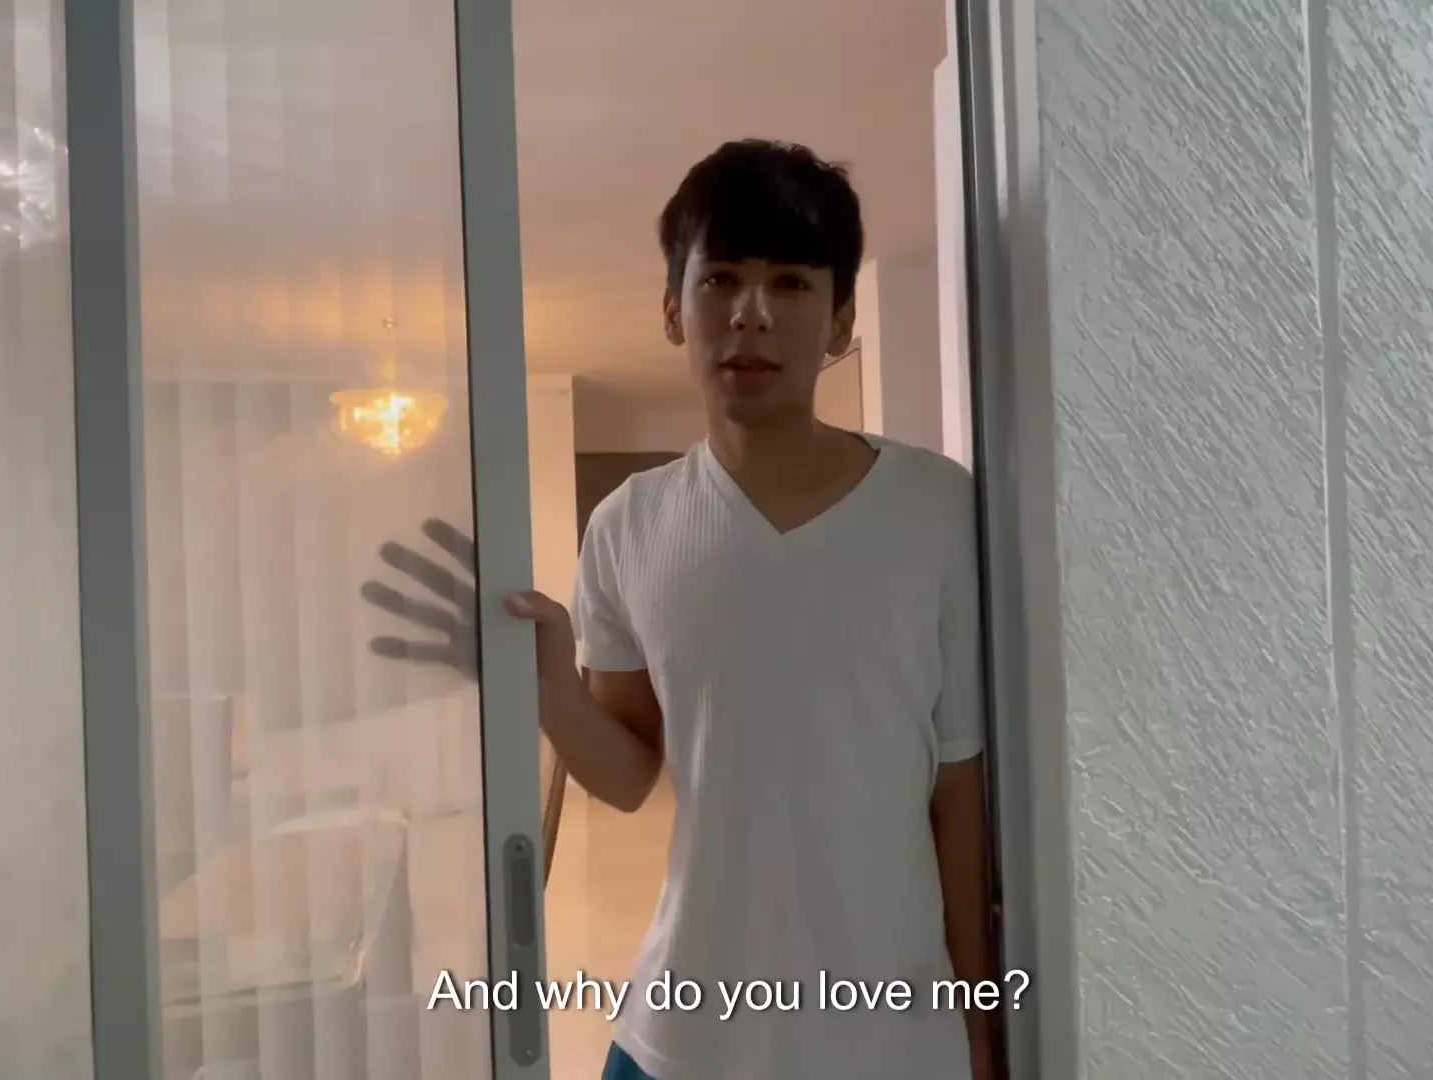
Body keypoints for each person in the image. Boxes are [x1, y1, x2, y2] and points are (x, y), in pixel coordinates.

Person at [363, 139, 996, 1080]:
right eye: (721, 280)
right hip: (681, 1037)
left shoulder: (935, 508)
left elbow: (959, 792)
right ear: (673, 310)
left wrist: (981, 1027)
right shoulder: (629, 525)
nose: (751, 313)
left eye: (791, 283)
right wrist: (542, 687)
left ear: (840, 321)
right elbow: (626, 775)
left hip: (889, 1035)